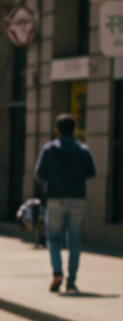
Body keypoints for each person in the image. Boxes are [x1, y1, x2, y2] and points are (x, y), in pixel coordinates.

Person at [35, 114, 96, 294]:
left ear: (57, 131)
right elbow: (91, 172)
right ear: (75, 130)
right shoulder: (83, 150)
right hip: (77, 198)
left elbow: (39, 174)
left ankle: (57, 272)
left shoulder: (49, 149)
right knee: (75, 239)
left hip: (55, 197)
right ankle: (71, 281)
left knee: (53, 238)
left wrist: (52, 181)